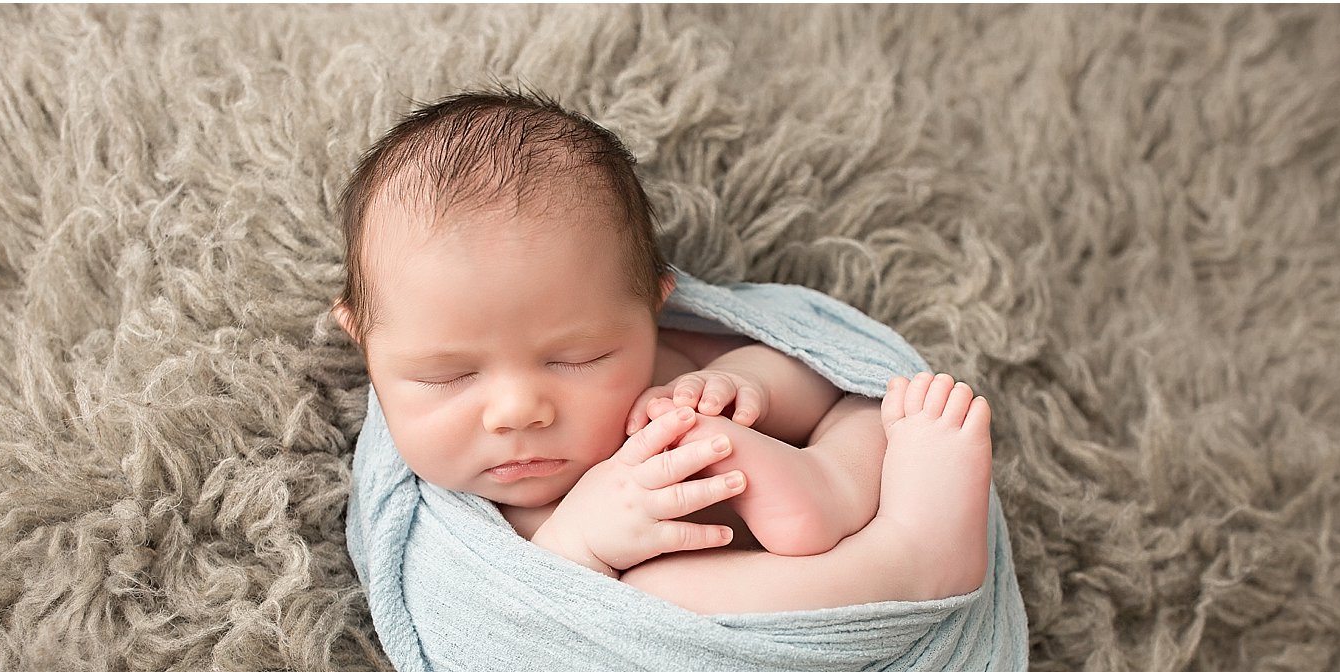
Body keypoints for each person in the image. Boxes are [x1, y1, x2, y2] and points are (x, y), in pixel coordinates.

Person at [332, 86, 993, 615]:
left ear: (653, 306)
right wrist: (581, 541)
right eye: (448, 375)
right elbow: (516, 621)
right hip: (759, 590)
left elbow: (818, 369)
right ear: (365, 340)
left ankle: (833, 484)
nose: (517, 410)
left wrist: (746, 382)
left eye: (577, 358)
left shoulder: (671, 366)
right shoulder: (462, 527)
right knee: (660, 598)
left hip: (804, 482)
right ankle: (908, 562)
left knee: (864, 409)